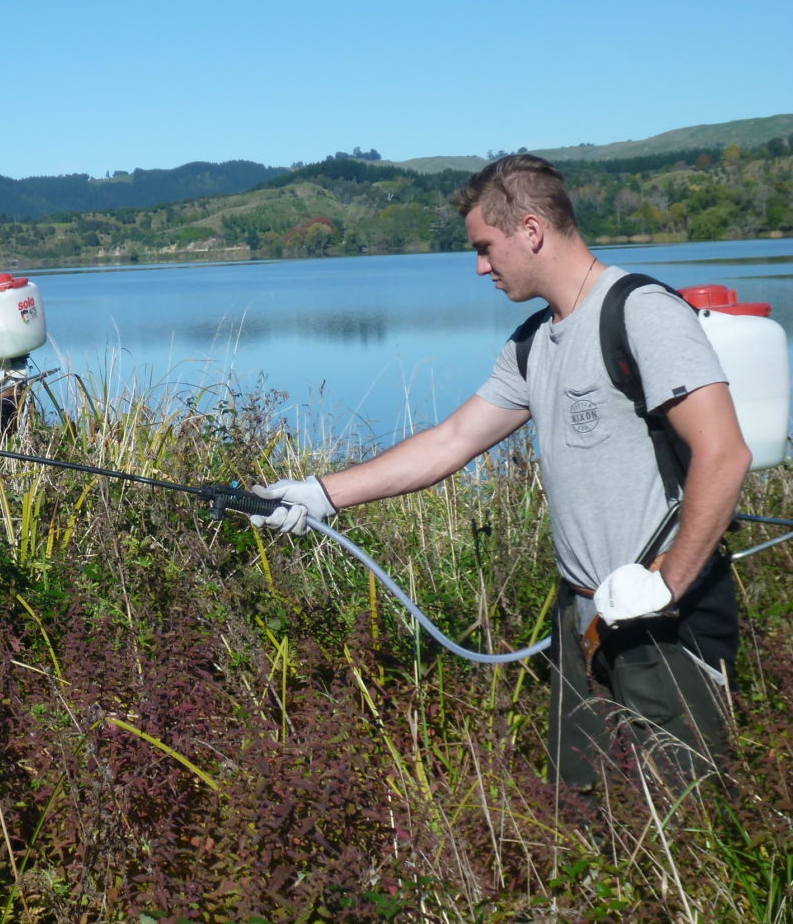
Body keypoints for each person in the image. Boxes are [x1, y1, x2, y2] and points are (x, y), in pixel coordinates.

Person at [251, 154, 751, 790]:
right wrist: (321, 495)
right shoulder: (533, 341)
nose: (481, 267)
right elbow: (451, 441)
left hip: (668, 621)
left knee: (684, 819)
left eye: (486, 248)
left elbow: (724, 454)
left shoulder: (641, 313)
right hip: (587, 617)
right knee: (586, 810)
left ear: (532, 230)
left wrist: (666, 586)